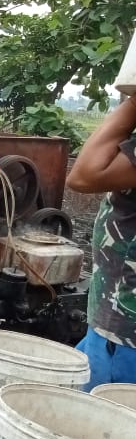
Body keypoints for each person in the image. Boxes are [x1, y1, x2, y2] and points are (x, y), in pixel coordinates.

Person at [65, 94, 136, 387]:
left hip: (124, 335)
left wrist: (133, 102)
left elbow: (84, 176)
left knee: (96, 419)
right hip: (114, 326)